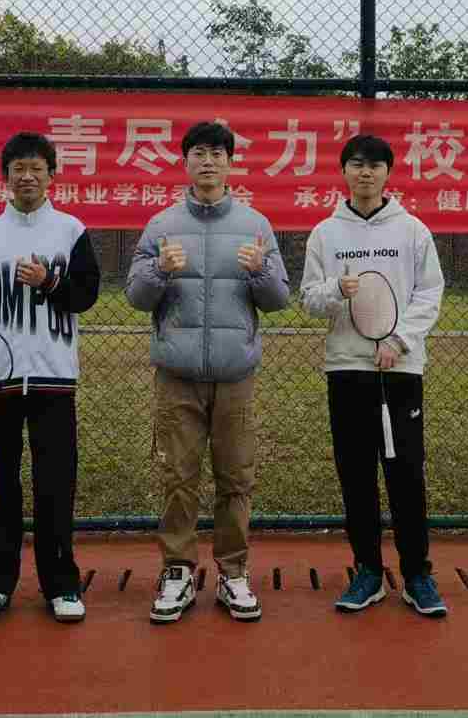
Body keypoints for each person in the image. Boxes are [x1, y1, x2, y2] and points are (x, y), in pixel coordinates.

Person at [125, 119, 291, 623]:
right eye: (199, 153)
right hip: (176, 375)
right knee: (178, 476)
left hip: (235, 375)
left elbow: (279, 299)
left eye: (218, 153)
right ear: (185, 162)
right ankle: (177, 571)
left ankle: (233, 572)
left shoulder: (256, 225)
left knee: (235, 476)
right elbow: (136, 296)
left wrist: (260, 271)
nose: (208, 161)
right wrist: (160, 271)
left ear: (231, 163)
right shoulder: (161, 225)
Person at [299, 132, 448, 617]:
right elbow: (308, 300)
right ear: (344, 171)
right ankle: (367, 571)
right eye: (357, 164)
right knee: (356, 475)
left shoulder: (412, 231)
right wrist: (334, 291)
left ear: (388, 173)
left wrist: (398, 341)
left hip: (400, 370)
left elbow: (430, 294)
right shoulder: (325, 234)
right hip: (346, 368)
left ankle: (417, 575)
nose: (365, 172)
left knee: (405, 474)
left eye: (375, 165)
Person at [0, 131, 101, 626]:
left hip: (53, 381)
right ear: (5, 177)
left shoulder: (71, 230)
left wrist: (49, 281)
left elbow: (86, 295)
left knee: (55, 487)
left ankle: (61, 585)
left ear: (51, 176)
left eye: (36, 168)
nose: (27, 176)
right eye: (18, 168)